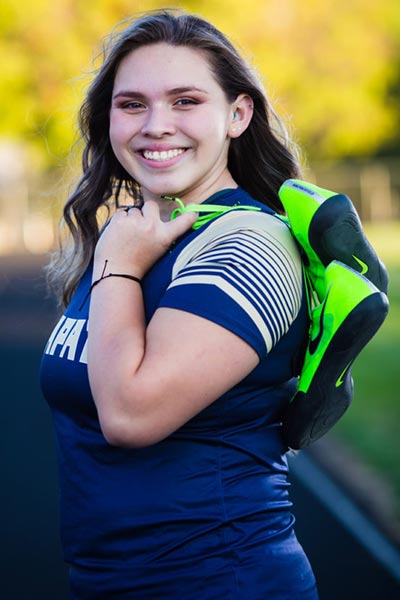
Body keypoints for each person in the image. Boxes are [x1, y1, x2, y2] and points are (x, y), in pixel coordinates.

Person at [39, 8, 387, 599]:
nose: (156, 125)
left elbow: (129, 417)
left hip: (221, 580)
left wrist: (117, 263)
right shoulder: (138, 235)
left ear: (237, 114)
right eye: (132, 104)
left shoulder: (250, 244)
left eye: (185, 101)